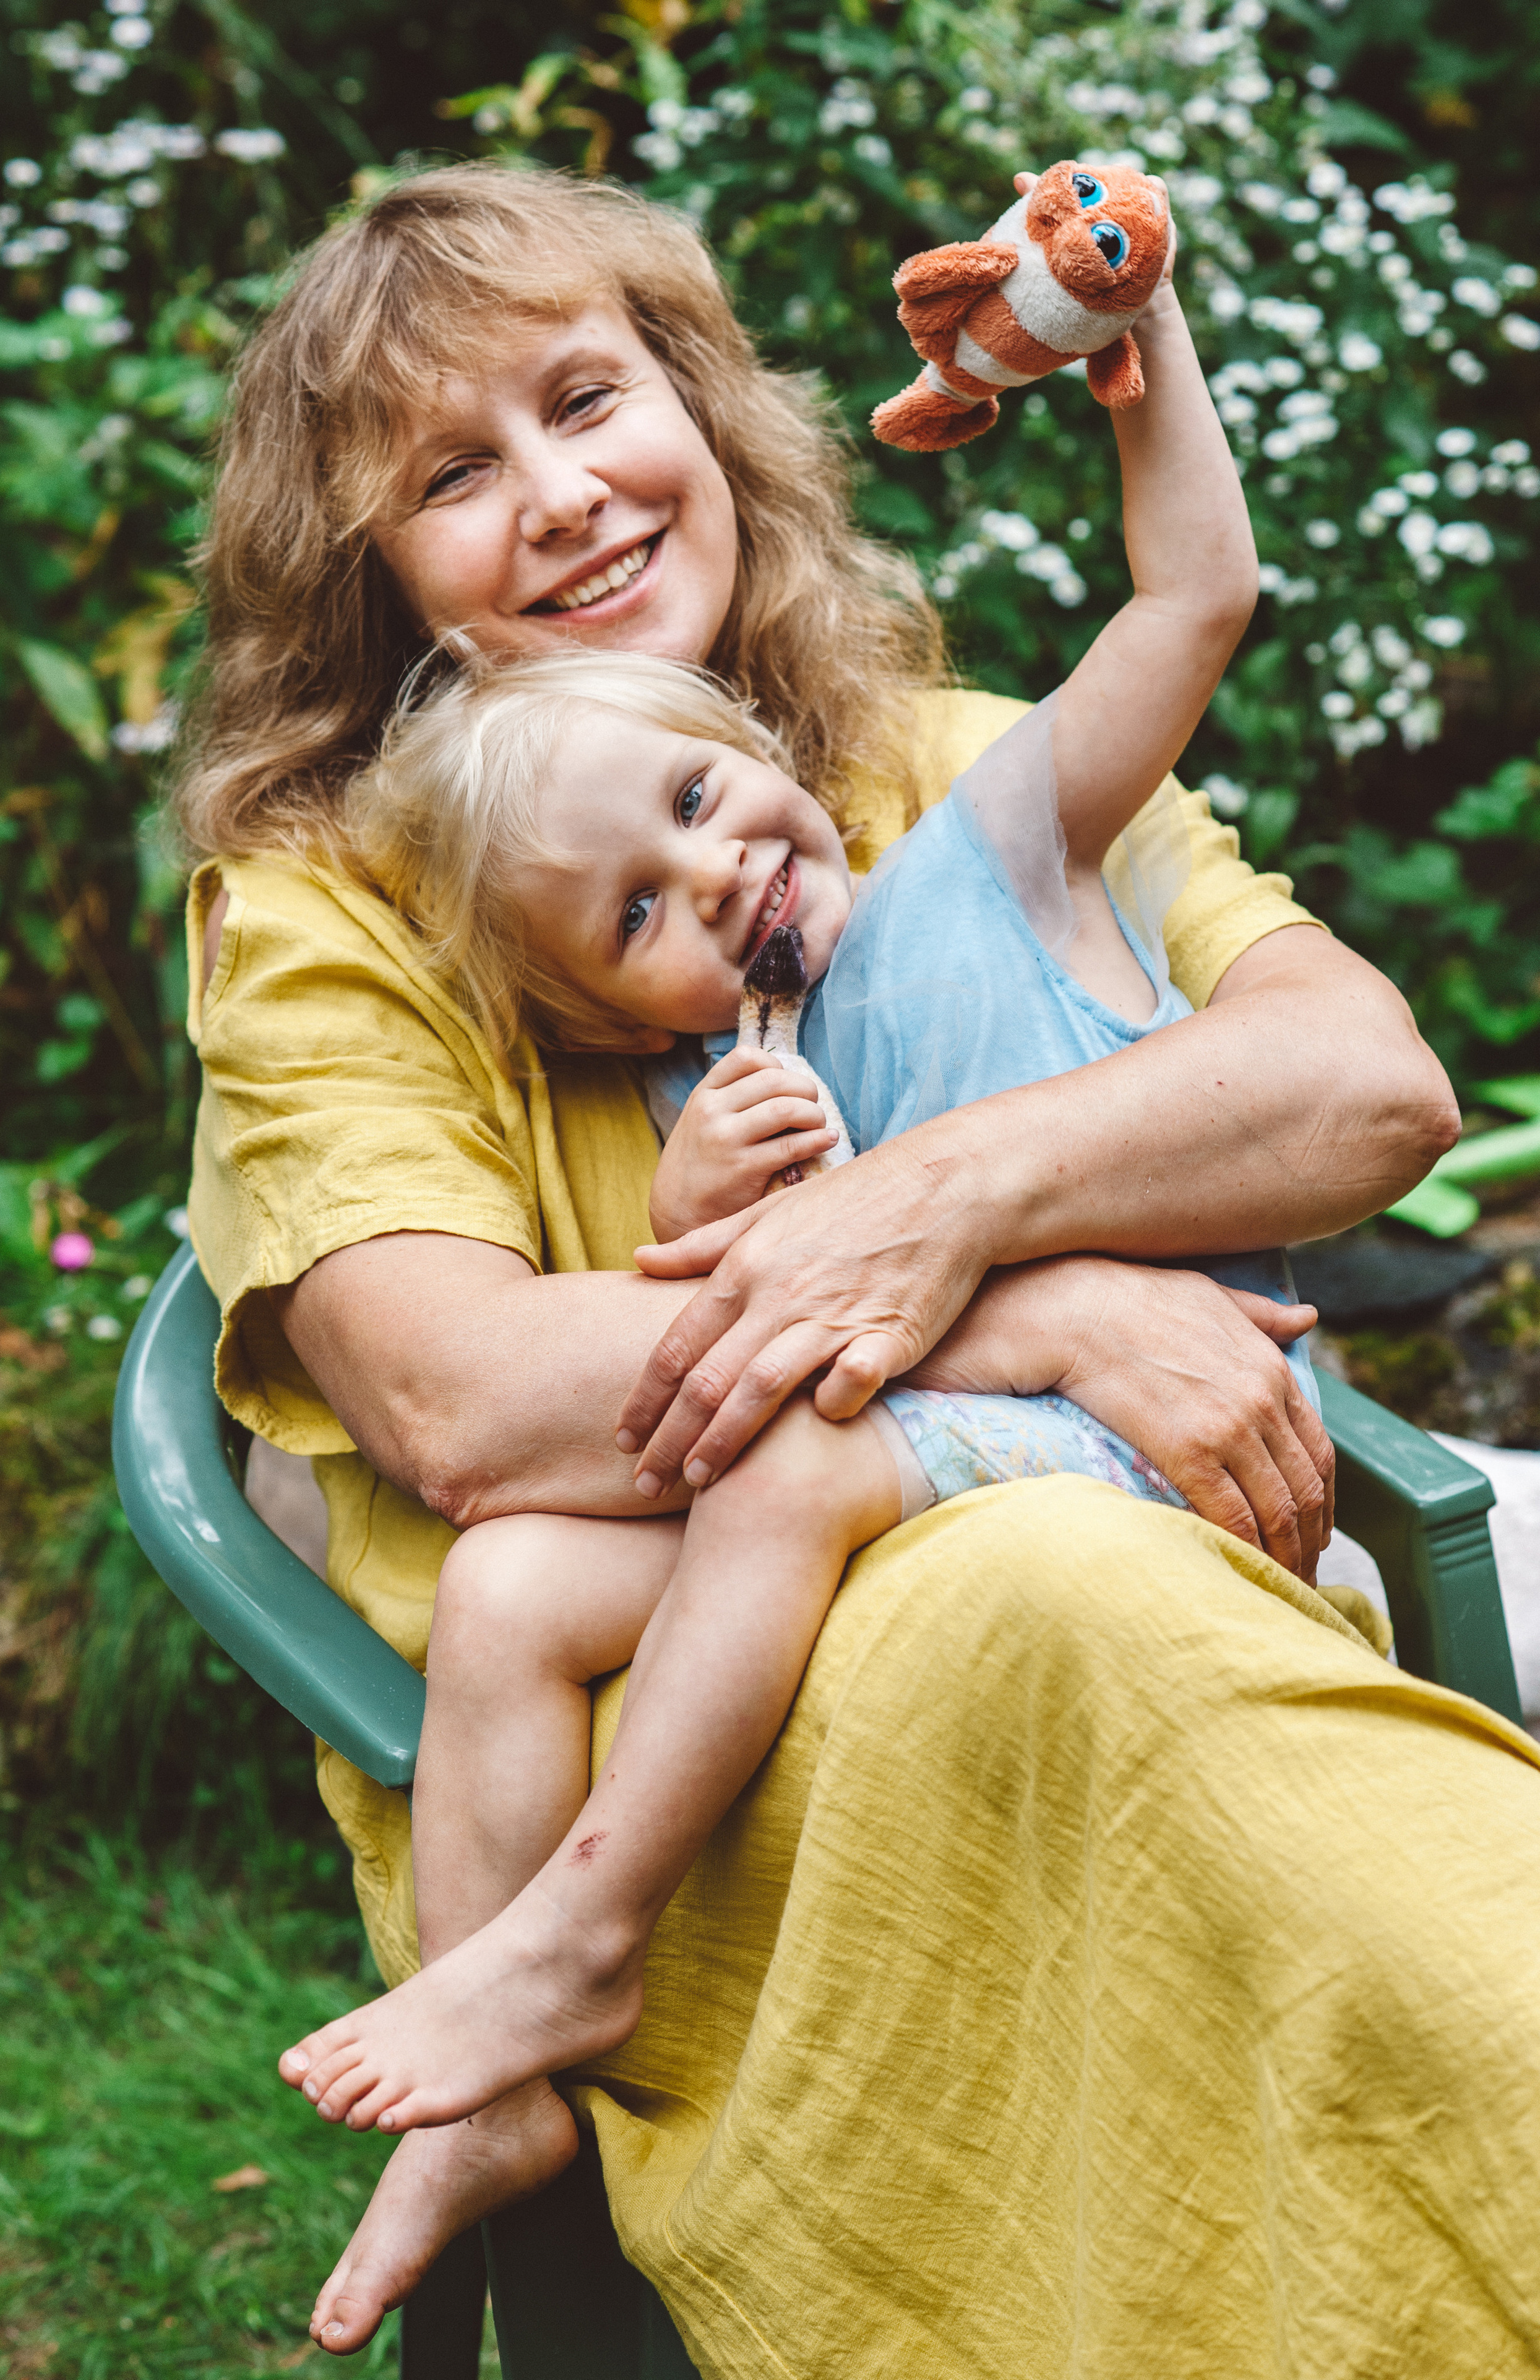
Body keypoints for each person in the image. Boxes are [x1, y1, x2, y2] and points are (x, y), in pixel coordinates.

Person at [177, 162, 1540, 2376]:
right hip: (668, 1759)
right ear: (383, 587)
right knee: (1132, 1675)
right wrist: (1051, 1304)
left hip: (1070, 1581)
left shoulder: (940, 768)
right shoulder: (343, 901)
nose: (560, 497)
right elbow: (459, 1398)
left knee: (1313, 1846)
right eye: (449, 473)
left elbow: (1361, 1089)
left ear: (700, 413)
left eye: (588, 400)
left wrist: (953, 1199)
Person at [275, 240, 1335, 2137]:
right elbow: (576, 1362)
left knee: (785, 1453)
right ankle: (492, 2075)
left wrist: (1148, 337)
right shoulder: (712, 1049)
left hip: (1100, 1496)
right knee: (515, 1584)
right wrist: (779, 1211)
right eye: (634, 922)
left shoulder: (979, 831)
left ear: (758, 746)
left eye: (588, 400)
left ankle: (575, 1935)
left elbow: (1200, 602)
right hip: (884, 1568)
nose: (712, 891)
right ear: (593, 1011)